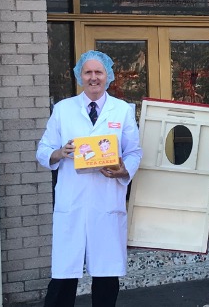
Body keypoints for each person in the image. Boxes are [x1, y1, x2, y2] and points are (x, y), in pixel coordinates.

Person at [37, 50, 142, 307]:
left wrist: (124, 170)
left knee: (106, 276)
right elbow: (42, 150)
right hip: (72, 202)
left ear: (108, 76)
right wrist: (59, 153)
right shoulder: (63, 110)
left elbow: (134, 151)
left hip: (106, 202)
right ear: (79, 76)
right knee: (63, 276)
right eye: (88, 72)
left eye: (98, 72)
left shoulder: (122, 111)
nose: (93, 77)